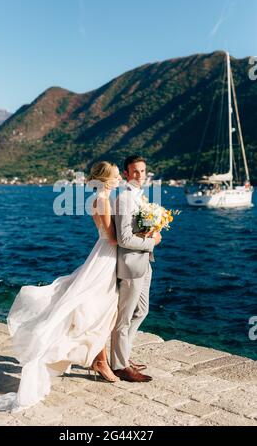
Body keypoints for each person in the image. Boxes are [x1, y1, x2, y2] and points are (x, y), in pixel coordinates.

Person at [0, 161, 123, 412]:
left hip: (100, 253)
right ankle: (97, 360)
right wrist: (142, 233)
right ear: (107, 179)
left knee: (98, 308)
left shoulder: (97, 198)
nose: (120, 179)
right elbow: (111, 236)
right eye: (117, 176)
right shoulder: (104, 199)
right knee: (99, 309)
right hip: (106, 255)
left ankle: (98, 359)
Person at [111, 155, 162, 382]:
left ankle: (124, 355)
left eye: (142, 171)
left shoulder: (139, 197)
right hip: (131, 264)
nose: (140, 175)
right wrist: (153, 241)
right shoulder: (124, 199)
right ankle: (119, 365)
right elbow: (123, 238)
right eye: (135, 171)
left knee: (142, 311)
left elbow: (137, 229)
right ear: (126, 174)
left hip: (145, 263)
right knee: (123, 318)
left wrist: (152, 230)